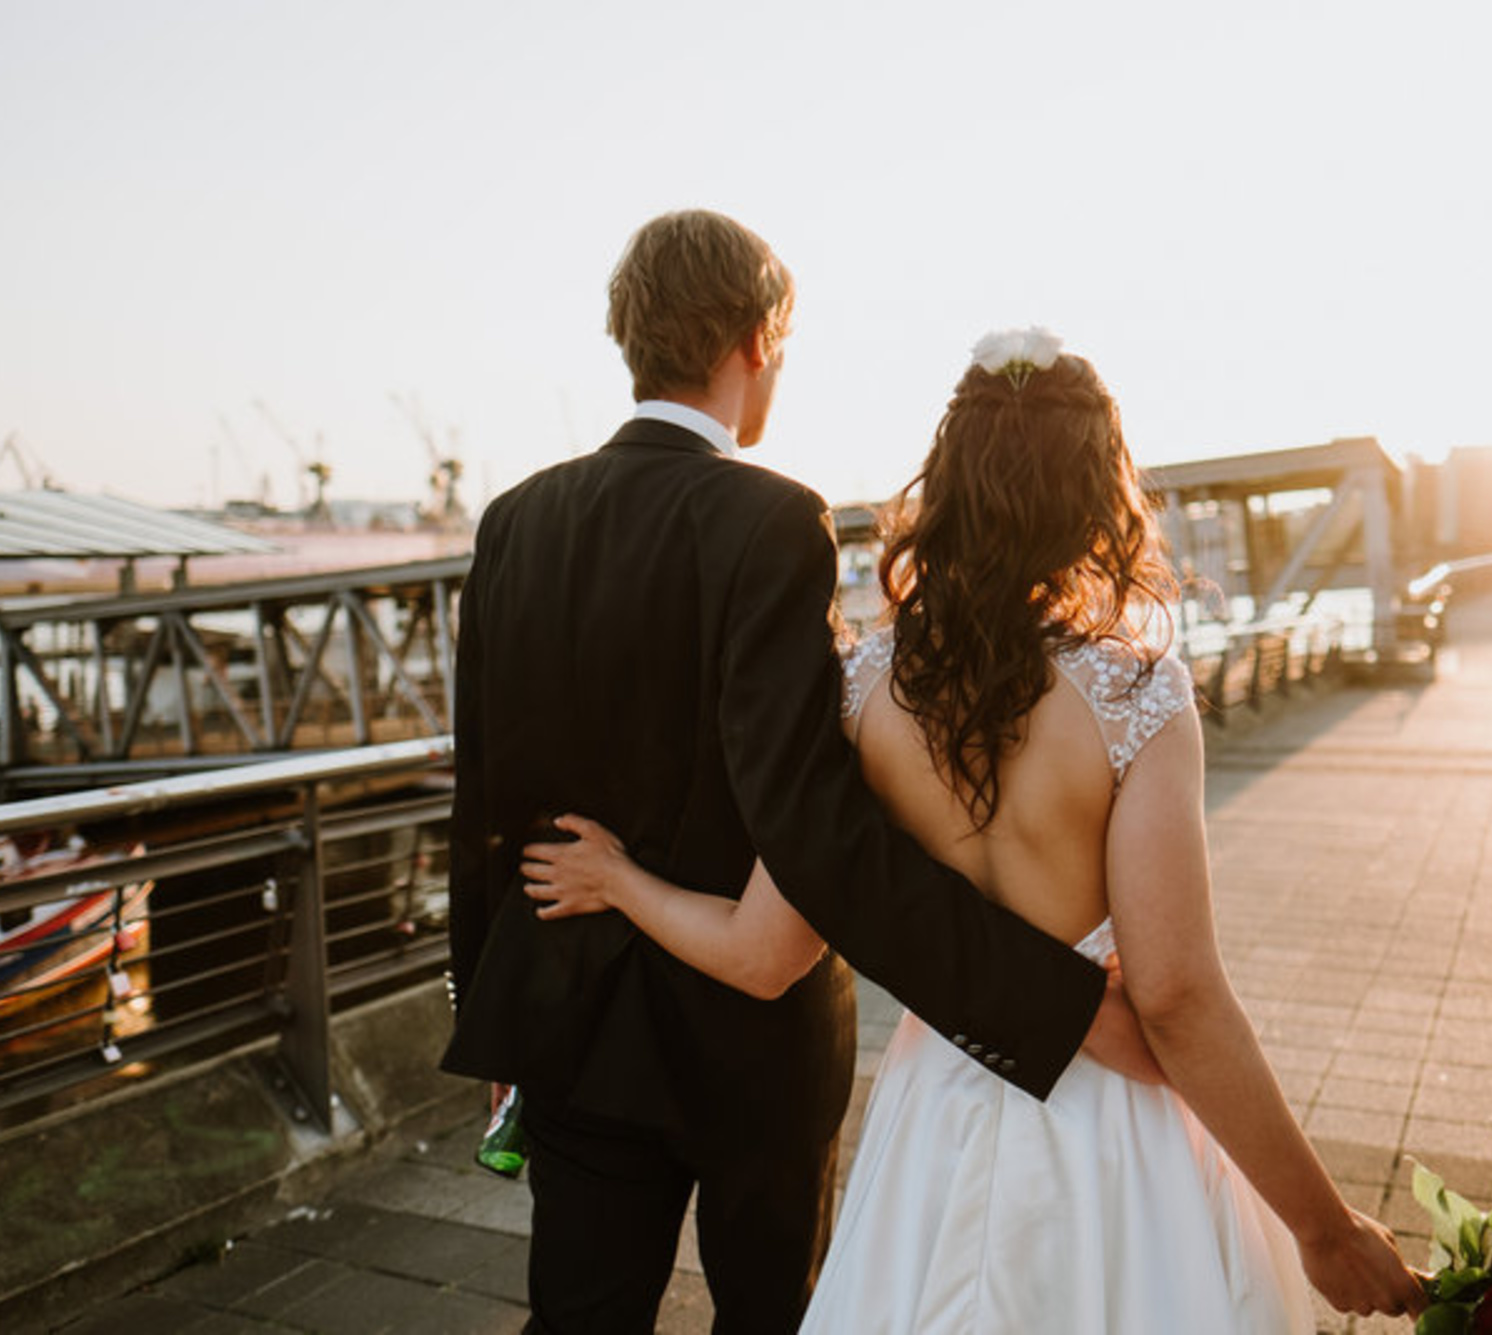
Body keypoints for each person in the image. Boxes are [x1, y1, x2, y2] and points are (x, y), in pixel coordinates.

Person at [523, 329, 1427, 1331]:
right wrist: (1320, 1226)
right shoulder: (1137, 694)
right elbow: (1174, 999)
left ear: (946, 483)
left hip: (935, 1119)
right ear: (1099, 492)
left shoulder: (860, 690)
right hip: (1114, 1135)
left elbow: (763, 954)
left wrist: (616, 881)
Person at [442, 215, 1151, 1334]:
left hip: (567, 1022)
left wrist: (488, 1011)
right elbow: (816, 832)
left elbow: (478, 789)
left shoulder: (514, 522)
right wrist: (1049, 1006)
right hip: (748, 1053)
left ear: (630, 336)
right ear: (758, 340)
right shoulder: (770, 521)